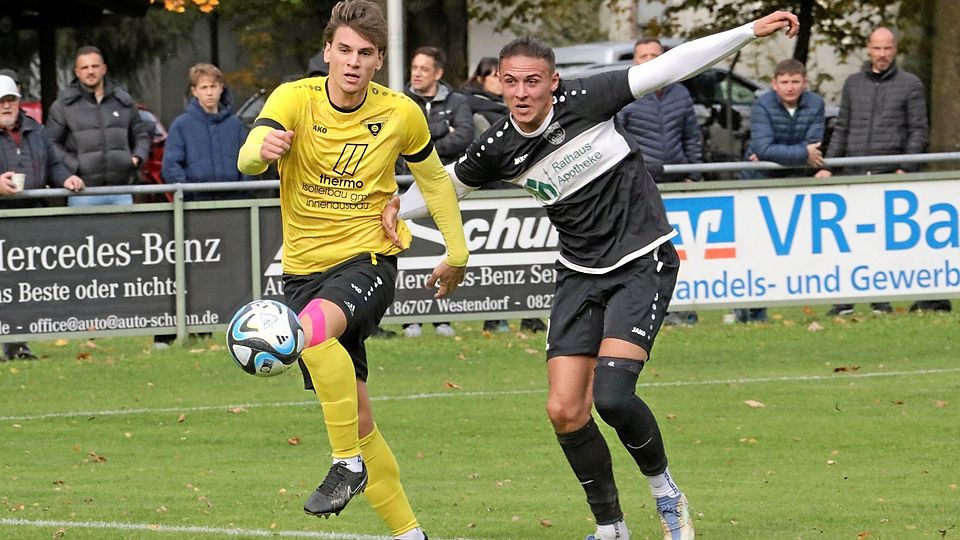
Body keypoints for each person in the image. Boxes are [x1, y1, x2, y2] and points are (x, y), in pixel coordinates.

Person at [390, 11, 799, 540]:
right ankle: (612, 528)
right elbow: (445, 187)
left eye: (532, 81)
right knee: (564, 410)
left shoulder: (588, 99)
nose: (520, 92)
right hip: (580, 272)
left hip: (641, 259)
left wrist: (747, 32)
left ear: (552, 82)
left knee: (612, 397)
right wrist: (392, 208)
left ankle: (666, 492)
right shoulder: (497, 146)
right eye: (510, 81)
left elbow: (670, 66)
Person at [236, 1, 468, 538]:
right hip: (301, 275)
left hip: (368, 260)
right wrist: (259, 149)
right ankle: (411, 534)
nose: (353, 62)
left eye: (365, 53)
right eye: (344, 50)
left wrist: (457, 252)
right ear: (328, 52)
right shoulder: (294, 98)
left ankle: (347, 464)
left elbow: (434, 180)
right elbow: (249, 156)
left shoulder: (401, 112)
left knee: (310, 338)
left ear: (379, 60)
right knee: (360, 420)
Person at [814, 27, 938, 315]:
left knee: (883, 243)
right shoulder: (853, 84)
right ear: (869, 49)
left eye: (887, 49)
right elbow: (842, 128)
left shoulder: (911, 84)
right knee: (849, 243)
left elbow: (919, 130)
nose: (882, 55)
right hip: (854, 174)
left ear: (895, 50)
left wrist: (905, 166)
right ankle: (844, 300)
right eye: (877, 49)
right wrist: (829, 166)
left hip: (888, 174)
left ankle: (880, 301)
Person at [152, 63, 250, 349]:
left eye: (213, 86)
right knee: (197, 272)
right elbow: (171, 167)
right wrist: (192, 196)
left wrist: (241, 193)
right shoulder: (182, 125)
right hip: (197, 212)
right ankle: (191, 328)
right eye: (203, 88)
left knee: (230, 272)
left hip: (232, 209)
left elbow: (248, 163)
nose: (209, 93)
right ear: (194, 92)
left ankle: (227, 326)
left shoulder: (235, 125)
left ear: (222, 88)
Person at [617, 37, 702, 327]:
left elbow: (692, 136)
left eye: (655, 54)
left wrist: (693, 171)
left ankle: (685, 307)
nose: (650, 60)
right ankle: (650, 309)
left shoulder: (681, 94)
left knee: (685, 249)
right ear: (635, 61)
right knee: (649, 251)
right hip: (641, 185)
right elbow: (617, 140)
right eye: (643, 56)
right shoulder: (624, 94)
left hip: (679, 181)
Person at [0, 72, 85, 361]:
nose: (5, 106)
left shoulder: (36, 130)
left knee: (20, 287)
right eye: (0, 101)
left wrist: (67, 180)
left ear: (18, 101)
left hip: (28, 221)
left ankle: (16, 345)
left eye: (10, 100)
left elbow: (54, 165)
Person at [460, 57, 548, 334]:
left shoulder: (517, 108)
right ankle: (494, 317)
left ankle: (530, 315)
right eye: (498, 77)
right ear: (481, 79)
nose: (503, 84)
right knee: (494, 259)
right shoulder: (473, 107)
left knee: (529, 256)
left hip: (524, 188)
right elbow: (491, 151)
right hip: (494, 191)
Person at [735, 58, 826, 323]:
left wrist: (778, 153)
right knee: (755, 247)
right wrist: (801, 154)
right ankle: (748, 308)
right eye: (784, 82)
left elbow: (815, 146)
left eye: (795, 81)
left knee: (793, 247)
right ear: (774, 84)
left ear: (805, 83)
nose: (789, 87)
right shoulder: (762, 104)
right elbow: (762, 147)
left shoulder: (816, 104)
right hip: (758, 182)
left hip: (793, 183)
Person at [397, 46, 474, 338]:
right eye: (414, 68)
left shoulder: (458, 100)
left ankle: (444, 318)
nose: (416, 73)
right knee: (409, 255)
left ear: (438, 74)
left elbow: (466, 137)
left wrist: (423, 150)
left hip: (446, 188)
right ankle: (408, 319)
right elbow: (401, 143)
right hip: (406, 189)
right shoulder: (401, 101)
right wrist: (443, 129)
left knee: (444, 254)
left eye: (423, 69)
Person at [46, 45, 150, 207]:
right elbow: (50, 142)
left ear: (104, 69)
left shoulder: (124, 101)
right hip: (82, 192)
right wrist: (74, 165)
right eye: (85, 67)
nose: (90, 71)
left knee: (124, 233)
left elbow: (141, 134)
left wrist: (136, 158)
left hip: (121, 190)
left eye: (95, 66)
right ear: (77, 72)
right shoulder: (63, 106)